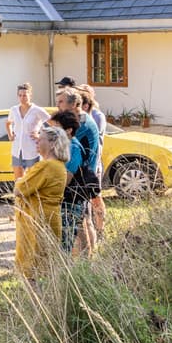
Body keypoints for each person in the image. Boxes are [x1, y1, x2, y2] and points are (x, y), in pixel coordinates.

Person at [13, 126, 69, 281]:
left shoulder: (46, 166)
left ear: (52, 144)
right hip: (50, 217)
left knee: (33, 267)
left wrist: (19, 181)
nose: (37, 140)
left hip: (37, 219)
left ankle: (36, 302)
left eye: (41, 138)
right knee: (47, 265)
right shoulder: (58, 165)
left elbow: (20, 189)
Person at [56, 87, 101, 254]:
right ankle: (88, 258)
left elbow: (68, 147)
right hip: (79, 175)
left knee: (81, 222)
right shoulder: (78, 120)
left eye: (61, 102)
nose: (58, 106)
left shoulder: (81, 123)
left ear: (75, 104)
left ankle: (86, 259)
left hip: (80, 178)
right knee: (83, 220)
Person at [50, 110, 93, 254]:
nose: (52, 131)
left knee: (64, 246)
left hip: (70, 202)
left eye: (56, 128)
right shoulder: (62, 146)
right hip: (64, 201)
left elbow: (65, 179)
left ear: (68, 130)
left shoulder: (74, 148)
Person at [79, 85, 108, 249]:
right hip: (86, 166)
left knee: (96, 198)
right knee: (87, 203)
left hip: (94, 165)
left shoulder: (96, 116)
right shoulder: (82, 117)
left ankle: (100, 228)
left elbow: (95, 141)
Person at [6, 83, 49, 181]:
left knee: (34, 180)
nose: (22, 98)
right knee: (19, 182)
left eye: (25, 95)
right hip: (17, 150)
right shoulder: (14, 110)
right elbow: (8, 123)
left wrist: (41, 136)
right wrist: (10, 135)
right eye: (20, 95)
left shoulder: (37, 110)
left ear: (30, 95)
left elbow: (53, 124)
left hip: (32, 150)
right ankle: (20, 197)